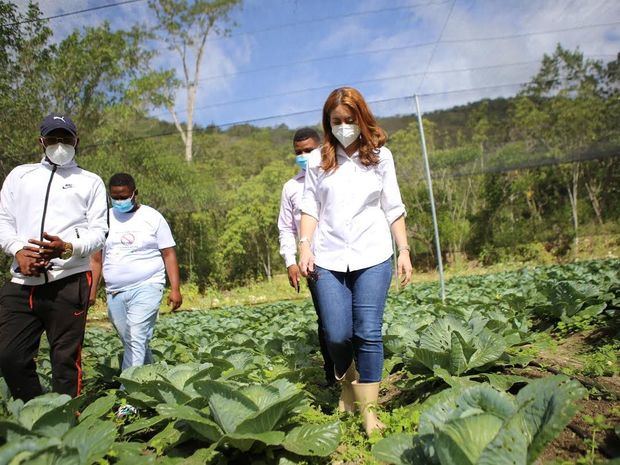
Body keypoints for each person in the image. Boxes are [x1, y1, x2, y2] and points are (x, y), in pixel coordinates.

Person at [298, 87, 412, 435]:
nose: (344, 126)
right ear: (327, 123)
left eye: (350, 120)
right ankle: (348, 381)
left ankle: (369, 413)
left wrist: (404, 250)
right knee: (336, 334)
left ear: (362, 119)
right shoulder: (318, 160)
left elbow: (393, 206)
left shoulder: (380, 157)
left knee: (368, 333)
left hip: (373, 254)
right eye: (337, 121)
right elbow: (310, 207)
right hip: (329, 257)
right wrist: (304, 246)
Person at [0, 114, 108, 401]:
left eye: (66, 139)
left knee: (65, 361)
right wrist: (18, 250)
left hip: (69, 280)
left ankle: (65, 423)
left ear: (77, 141)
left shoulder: (90, 182)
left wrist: (68, 247)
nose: (60, 145)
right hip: (21, 280)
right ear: (41, 141)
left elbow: (99, 232)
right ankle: (36, 413)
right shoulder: (20, 176)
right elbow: (3, 221)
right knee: (9, 356)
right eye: (52, 139)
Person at [90, 173, 182, 372]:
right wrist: (90, 293)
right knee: (132, 341)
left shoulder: (152, 217)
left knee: (135, 335)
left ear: (135, 194)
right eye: (115, 197)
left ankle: (128, 396)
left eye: (124, 196)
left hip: (148, 285)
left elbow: (168, 254)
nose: (119, 201)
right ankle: (152, 380)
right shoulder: (104, 220)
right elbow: (96, 259)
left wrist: (175, 289)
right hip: (115, 292)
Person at [277, 127, 335, 386]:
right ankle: (334, 376)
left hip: (346, 255)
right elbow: (286, 227)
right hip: (314, 262)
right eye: (299, 152)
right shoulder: (291, 187)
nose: (304, 156)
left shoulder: (335, 175)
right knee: (327, 320)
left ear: (321, 148)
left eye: (309, 151)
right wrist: (290, 261)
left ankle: (362, 370)